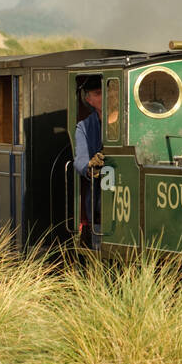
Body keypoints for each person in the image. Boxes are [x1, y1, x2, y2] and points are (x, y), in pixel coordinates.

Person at [75, 80, 104, 247]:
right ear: (89, 100)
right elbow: (80, 161)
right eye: (98, 94)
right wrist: (90, 167)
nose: (105, 97)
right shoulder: (84, 127)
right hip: (100, 193)